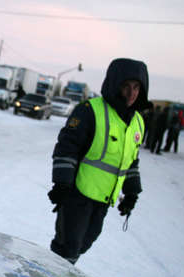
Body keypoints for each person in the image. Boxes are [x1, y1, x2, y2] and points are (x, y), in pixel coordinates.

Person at [47, 58, 148, 264]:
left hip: (103, 199)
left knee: (84, 243)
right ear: (114, 84)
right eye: (126, 86)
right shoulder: (90, 110)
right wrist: (62, 184)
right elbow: (68, 147)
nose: (131, 93)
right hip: (77, 194)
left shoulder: (137, 121)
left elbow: (130, 161)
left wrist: (131, 194)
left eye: (136, 87)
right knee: (68, 247)